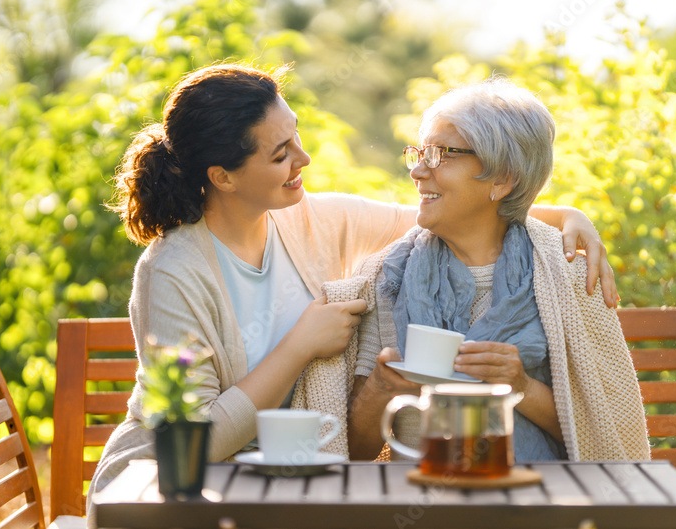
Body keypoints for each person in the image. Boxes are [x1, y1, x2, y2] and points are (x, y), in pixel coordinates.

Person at [87, 64, 619, 517]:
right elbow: (192, 441)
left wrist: (568, 215)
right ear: (223, 176)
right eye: (279, 154)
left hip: (290, 485)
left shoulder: (313, 219)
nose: (304, 159)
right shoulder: (172, 273)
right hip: (171, 491)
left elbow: (443, 212)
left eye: (295, 135)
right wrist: (301, 345)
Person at [346, 77, 650, 462]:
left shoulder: (566, 271)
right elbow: (355, 452)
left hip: (541, 507)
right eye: (420, 153)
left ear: (503, 178)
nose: (418, 171)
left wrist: (519, 385)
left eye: (442, 154)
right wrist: (379, 389)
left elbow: (605, 433)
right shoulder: (388, 276)